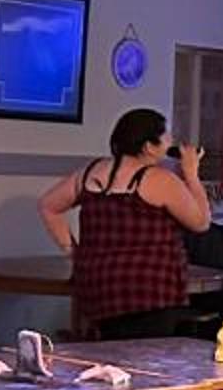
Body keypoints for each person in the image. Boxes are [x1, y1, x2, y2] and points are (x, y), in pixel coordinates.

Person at [38, 106, 212, 339]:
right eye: (166, 136)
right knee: (146, 355)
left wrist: (74, 252)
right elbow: (200, 222)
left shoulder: (90, 172)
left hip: (98, 288)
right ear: (149, 146)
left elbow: (48, 205)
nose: (171, 142)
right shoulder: (160, 180)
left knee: (108, 351)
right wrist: (191, 174)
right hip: (149, 290)